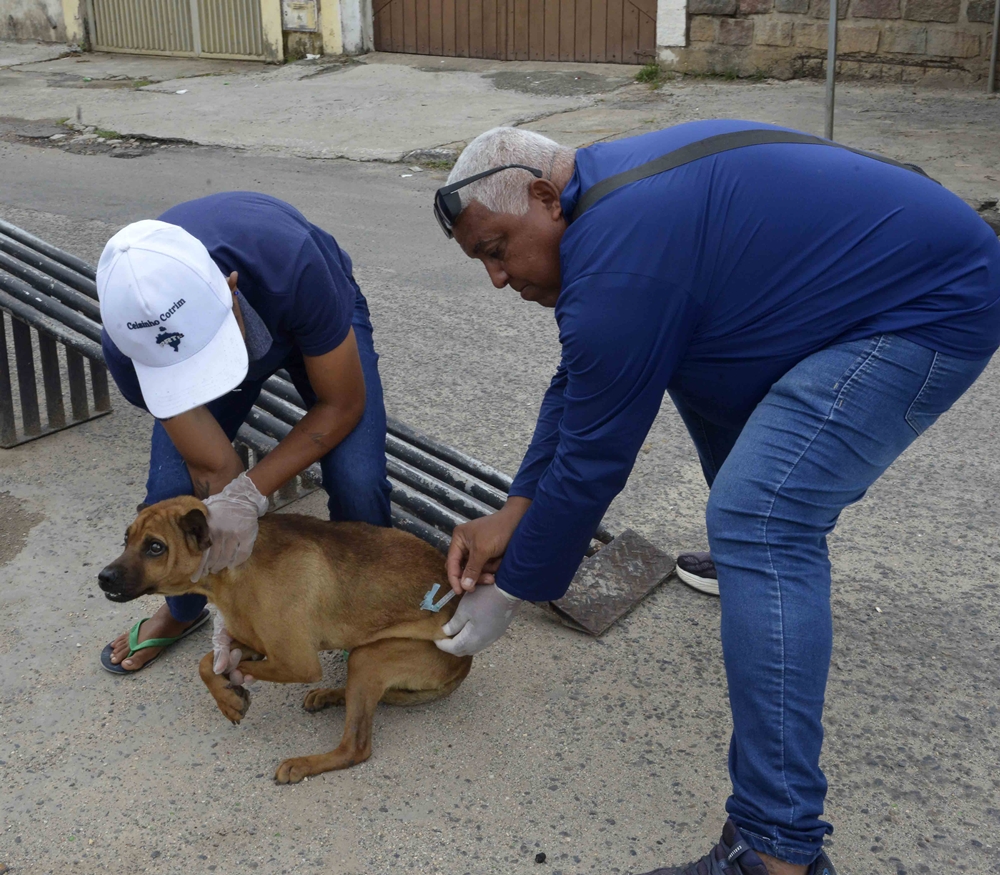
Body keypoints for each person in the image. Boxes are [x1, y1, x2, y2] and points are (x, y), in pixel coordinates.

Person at [430, 122, 1000, 874]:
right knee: (693, 368)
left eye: (497, 250)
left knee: (760, 516)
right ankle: (765, 569)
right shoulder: (605, 206)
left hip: (931, 306)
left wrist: (516, 583)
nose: (498, 279)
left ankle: (775, 848)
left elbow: (596, 458)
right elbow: (587, 380)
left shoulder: (621, 266)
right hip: (883, 278)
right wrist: (515, 510)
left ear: (544, 197)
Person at [97, 192, 392, 674]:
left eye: (207, 356)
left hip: (303, 318)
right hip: (229, 321)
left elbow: (342, 405)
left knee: (358, 478)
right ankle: (185, 608)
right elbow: (213, 466)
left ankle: (368, 612)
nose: (212, 380)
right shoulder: (127, 341)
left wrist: (249, 494)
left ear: (229, 288)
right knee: (170, 493)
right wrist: (232, 605)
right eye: (183, 368)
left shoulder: (291, 263)